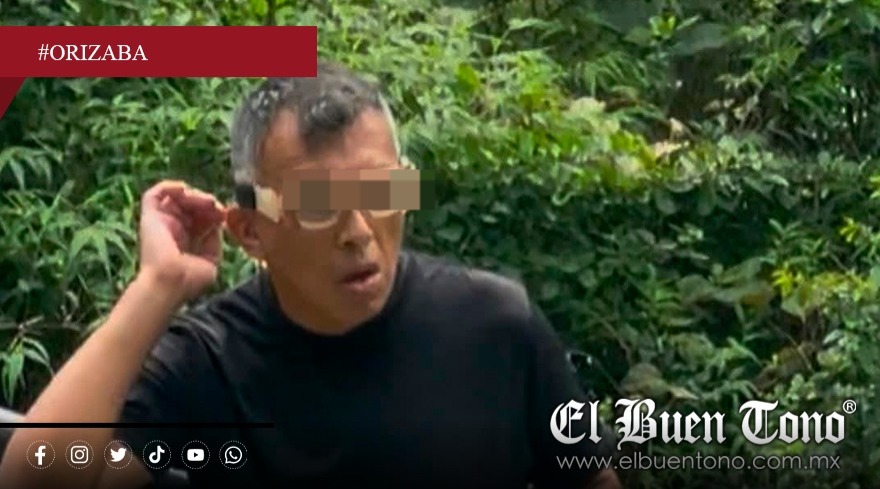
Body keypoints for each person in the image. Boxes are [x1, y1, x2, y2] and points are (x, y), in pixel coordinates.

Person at [0, 60, 621, 489]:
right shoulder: (210, 364)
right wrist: (156, 288)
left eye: (382, 191)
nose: (358, 231)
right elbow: (37, 477)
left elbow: (589, 477)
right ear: (251, 230)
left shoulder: (496, 326)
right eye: (319, 205)